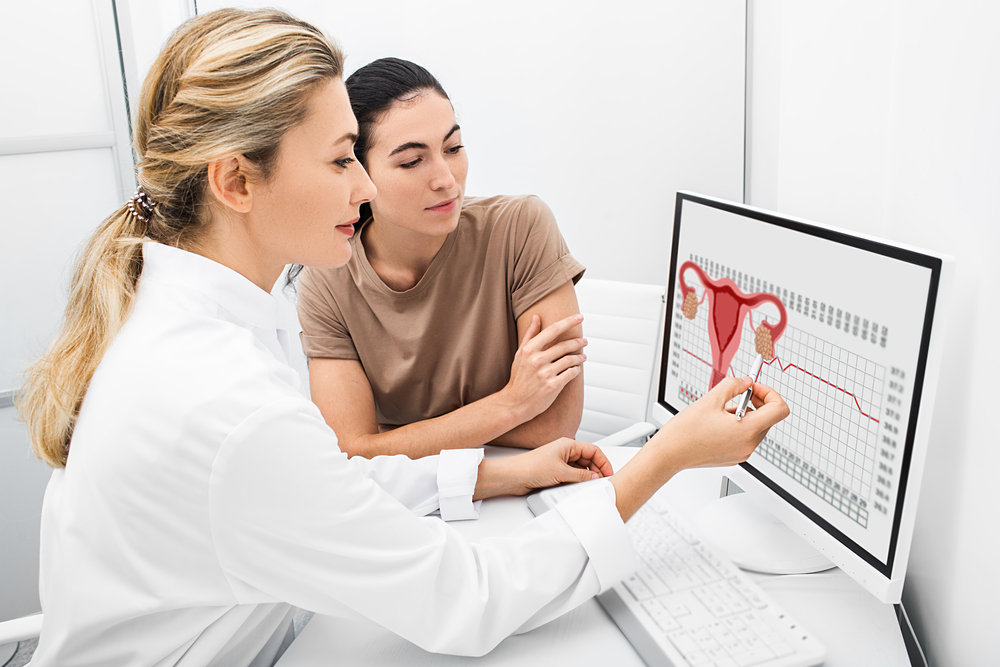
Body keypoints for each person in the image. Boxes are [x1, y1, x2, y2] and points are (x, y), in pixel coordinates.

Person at [17, 9, 788, 665]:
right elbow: (469, 598)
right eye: (341, 160)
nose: (364, 187)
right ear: (237, 182)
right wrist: (667, 455)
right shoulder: (227, 402)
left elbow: (325, 481)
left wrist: (495, 475)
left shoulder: (194, 321)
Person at [296, 57, 588, 458]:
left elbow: (553, 426)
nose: (447, 180)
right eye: (412, 161)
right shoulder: (327, 280)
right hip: (419, 493)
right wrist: (513, 403)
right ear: (359, 173)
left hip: (528, 479)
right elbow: (351, 452)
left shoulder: (520, 228)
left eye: (453, 148)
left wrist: (395, 438)